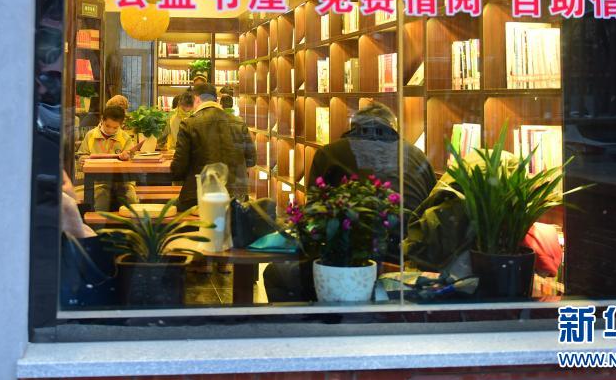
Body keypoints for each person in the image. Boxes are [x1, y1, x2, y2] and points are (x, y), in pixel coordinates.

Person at [263, 103, 435, 302]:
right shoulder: (417, 156)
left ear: (354, 126)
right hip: (409, 264)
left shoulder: (330, 153)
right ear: (393, 127)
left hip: (353, 263)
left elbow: (314, 217)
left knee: (276, 274)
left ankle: (316, 320)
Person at [171, 82, 256, 212]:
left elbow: (179, 168)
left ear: (197, 99)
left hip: (199, 197)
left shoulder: (189, 124)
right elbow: (251, 161)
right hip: (236, 199)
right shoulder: (239, 122)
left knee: (170, 206)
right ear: (216, 100)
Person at [75, 105, 136, 211]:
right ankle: (98, 221)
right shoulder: (91, 135)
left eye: (115, 128)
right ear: (102, 119)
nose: (110, 130)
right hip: (98, 181)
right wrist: (82, 160)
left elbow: (132, 161)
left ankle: (130, 221)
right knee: (100, 200)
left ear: (121, 125)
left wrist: (127, 157)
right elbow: (80, 157)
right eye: (107, 126)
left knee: (131, 198)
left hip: (122, 181)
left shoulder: (125, 138)